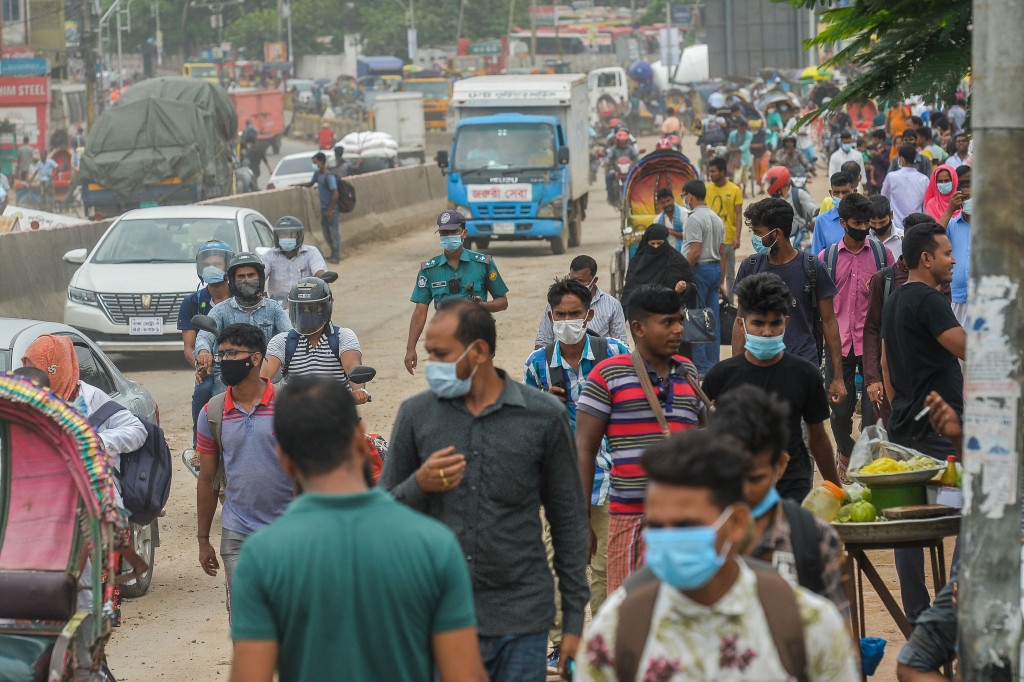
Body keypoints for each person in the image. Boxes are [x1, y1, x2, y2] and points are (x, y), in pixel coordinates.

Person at [380, 299, 589, 681]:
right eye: (428, 353)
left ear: (478, 351)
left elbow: (569, 521)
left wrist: (573, 621)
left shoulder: (543, 416)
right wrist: (418, 485)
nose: (430, 364)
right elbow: (378, 517)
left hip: (521, 619)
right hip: (438, 618)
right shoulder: (416, 416)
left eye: (440, 354)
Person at [227, 376, 487, 682]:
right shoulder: (435, 544)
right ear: (360, 438)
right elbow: (464, 675)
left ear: (283, 458)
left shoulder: (261, 557)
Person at [577, 430, 860, 682]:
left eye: (686, 525)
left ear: (736, 523)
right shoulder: (616, 629)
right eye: (656, 526)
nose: (668, 538)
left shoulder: (806, 624)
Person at [524, 277, 631, 670]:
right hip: (560, 485)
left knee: (607, 569)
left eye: (574, 314)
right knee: (559, 568)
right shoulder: (537, 366)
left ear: (589, 316)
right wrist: (542, 407)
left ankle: (602, 644)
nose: (567, 321)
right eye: (560, 314)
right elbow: (527, 427)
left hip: (612, 480)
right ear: (550, 316)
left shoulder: (615, 354)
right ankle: (559, 645)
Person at [576, 285, 707, 594]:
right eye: (667, 322)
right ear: (638, 328)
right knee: (628, 622)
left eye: (679, 320)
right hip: (630, 521)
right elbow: (584, 450)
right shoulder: (607, 375)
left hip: (686, 523)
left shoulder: (688, 373)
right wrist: (582, 523)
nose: (678, 330)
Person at [21, 334, 148, 627]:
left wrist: (97, 441)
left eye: (44, 369)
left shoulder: (91, 400)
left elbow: (136, 430)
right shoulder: (27, 403)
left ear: (59, 367)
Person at [881, 222, 965, 623]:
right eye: (947, 253)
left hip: (905, 429)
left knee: (910, 524)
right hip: (938, 436)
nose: (953, 260)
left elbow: (884, 364)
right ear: (926, 259)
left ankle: (918, 615)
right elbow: (963, 346)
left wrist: (904, 408)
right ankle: (953, 606)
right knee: (969, 510)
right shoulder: (931, 301)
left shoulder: (895, 299)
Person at [709, 385, 849, 619]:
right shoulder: (698, 535)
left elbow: (840, 635)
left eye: (756, 478)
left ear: (781, 465)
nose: (744, 490)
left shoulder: (815, 537)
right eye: (733, 475)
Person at [704, 273, 839, 501]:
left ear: (786, 322)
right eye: (758, 323)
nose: (767, 332)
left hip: (793, 485)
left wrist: (837, 490)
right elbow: (705, 435)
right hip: (737, 486)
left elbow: (818, 439)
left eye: (775, 323)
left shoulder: (806, 375)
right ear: (741, 323)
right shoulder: (720, 376)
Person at [196, 323, 293, 618]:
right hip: (238, 533)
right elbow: (208, 479)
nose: (223, 360)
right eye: (221, 353)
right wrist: (203, 540)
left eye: (231, 353)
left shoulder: (289, 405)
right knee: (247, 621)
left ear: (254, 358)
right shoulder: (212, 413)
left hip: (289, 532)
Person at [732, 198, 847, 405]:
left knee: (800, 434)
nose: (756, 238)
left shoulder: (812, 268)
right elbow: (740, 322)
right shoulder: (750, 267)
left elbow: (829, 322)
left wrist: (837, 377)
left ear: (776, 234)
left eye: (759, 233)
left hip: (802, 369)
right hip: (758, 370)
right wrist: (736, 371)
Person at [819, 193, 894, 474]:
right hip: (838, 345)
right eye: (857, 222)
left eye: (866, 223)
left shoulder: (881, 254)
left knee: (875, 409)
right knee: (839, 412)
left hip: (872, 344)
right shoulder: (826, 258)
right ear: (843, 223)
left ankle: (865, 459)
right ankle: (847, 451)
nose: (863, 228)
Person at [862, 213, 950, 427]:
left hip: (931, 382)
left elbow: (944, 331)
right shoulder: (884, 280)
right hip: (892, 382)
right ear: (905, 242)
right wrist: (873, 379)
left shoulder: (942, 282)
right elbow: (872, 329)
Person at [405, 210, 509, 375]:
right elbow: (420, 312)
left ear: (464, 233)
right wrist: (411, 348)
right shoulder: (429, 270)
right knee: (449, 387)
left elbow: (502, 302)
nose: (449, 236)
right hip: (446, 340)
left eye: (454, 231)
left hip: (477, 336)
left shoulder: (483, 264)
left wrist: (482, 306)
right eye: (444, 233)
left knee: (478, 383)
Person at [194, 252, 292, 389]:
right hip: (228, 376)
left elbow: (290, 336)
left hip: (268, 376)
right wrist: (203, 352)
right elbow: (204, 336)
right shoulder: (221, 310)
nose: (246, 280)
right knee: (202, 388)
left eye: (251, 275)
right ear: (233, 281)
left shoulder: (273, 308)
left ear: (260, 278)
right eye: (241, 276)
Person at [260, 276, 368, 401]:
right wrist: (256, 389)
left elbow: (352, 366)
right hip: (296, 413)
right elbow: (265, 373)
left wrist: (358, 390)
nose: (306, 312)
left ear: (326, 307)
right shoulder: (281, 341)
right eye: (301, 309)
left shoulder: (343, 336)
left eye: (312, 308)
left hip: (336, 413)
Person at [179, 240, 234, 449]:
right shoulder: (192, 302)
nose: (212, 267)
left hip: (237, 360)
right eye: (207, 263)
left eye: (217, 263)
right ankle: (199, 445)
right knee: (204, 390)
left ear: (228, 266)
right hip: (209, 365)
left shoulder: (240, 299)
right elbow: (188, 347)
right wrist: (201, 364)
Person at [679, 179, 726, 375]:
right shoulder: (716, 217)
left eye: (684, 196)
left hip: (700, 270)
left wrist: (682, 272)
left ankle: (700, 367)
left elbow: (695, 251)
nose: (684, 199)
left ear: (690, 195)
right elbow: (722, 252)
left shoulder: (694, 219)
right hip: (715, 269)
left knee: (696, 318)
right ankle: (713, 364)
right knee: (711, 318)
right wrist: (721, 280)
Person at [534, 255, 627, 349]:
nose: (575, 285)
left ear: (594, 281)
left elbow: (621, 345)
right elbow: (543, 340)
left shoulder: (612, 305)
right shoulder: (556, 302)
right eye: (573, 279)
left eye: (581, 281)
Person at [620, 224, 695, 311]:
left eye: (659, 243)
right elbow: (630, 288)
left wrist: (682, 289)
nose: (656, 247)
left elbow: (692, 285)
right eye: (652, 244)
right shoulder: (638, 262)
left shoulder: (677, 261)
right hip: (644, 312)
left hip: (670, 312)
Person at [705, 157, 743, 301]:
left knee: (729, 272)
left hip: (728, 238)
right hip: (710, 239)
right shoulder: (706, 189)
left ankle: (729, 302)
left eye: (714, 171)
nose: (711, 174)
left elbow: (739, 213)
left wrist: (737, 236)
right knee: (712, 271)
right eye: (710, 171)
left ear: (722, 171)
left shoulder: (735, 190)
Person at [261, 215, 327, 297]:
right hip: (278, 305)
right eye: (283, 234)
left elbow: (319, 274)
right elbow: (260, 277)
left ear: (299, 236)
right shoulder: (269, 256)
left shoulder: (311, 252)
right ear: (277, 237)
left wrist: (322, 281)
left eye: (291, 234)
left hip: (306, 301)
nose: (287, 237)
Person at [301, 152, 341, 263]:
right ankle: (333, 253)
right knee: (326, 233)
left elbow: (335, 194)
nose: (314, 164)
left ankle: (336, 256)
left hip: (331, 210)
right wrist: (298, 185)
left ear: (321, 162)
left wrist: (330, 210)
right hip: (324, 209)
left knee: (334, 232)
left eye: (315, 162)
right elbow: (310, 184)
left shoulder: (329, 176)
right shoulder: (318, 175)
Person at [882, 144, 931, 230]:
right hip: (917, 226)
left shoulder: (891, 177)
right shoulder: (924, 179)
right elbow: (926, 206)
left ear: (901, 159)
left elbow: (884, 198)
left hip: (895, 226)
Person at [809, 171, 856, 254]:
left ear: (854, 192)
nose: (841, 196)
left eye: (845, 192)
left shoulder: (863, 218)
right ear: (831, 193)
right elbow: (816, 255)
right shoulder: (822, 220)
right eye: (837, 193)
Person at [605, 130, 639, 205]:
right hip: (616, 170)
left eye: (624, 141)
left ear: (627, 141)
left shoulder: (630, 149)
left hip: (629, 171)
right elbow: (609, 158)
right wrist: (607, 163)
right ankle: (611, 197)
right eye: (620, 141)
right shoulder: (613, 149)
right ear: (617, 141)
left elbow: (636, 157)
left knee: (639, 178)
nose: (622, 143)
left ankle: (638, 197)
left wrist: (636, 163)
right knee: (608, 177)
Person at [868, 193, 904, 259]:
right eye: (873, 223)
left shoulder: (903, 238)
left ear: (891, 215)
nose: (878, 227)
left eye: (882, 222)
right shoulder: (863, 240)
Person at [726, 118, 753, 194]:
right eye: (740, 127)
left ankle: (744, 191)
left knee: (745, 176)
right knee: (736, 178)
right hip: (734, 158)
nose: (742, 129)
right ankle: (738, 190)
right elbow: (729, 144)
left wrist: (732, 149)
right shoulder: (733, 134)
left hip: (745, 158)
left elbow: (745, 147)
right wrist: (728, 148)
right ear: (738, 126)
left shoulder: (749, 135)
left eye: (743, 128)